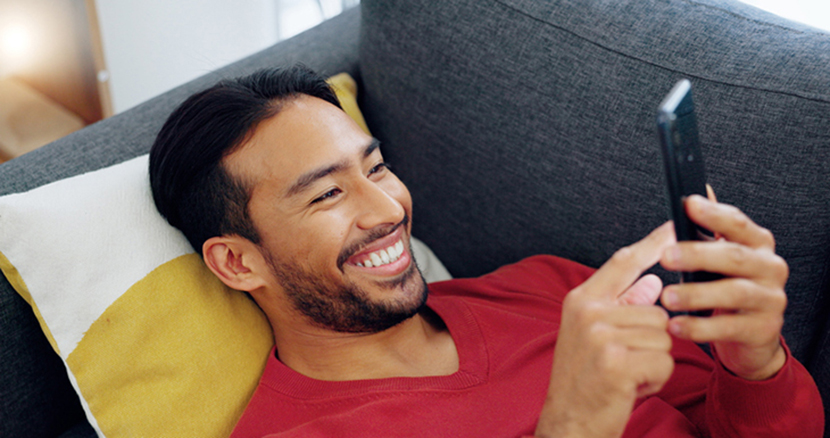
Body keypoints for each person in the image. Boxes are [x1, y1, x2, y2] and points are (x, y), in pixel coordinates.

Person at [149, 65, 823, 438]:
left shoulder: (555, 291)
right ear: (238, 261)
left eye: (376, 169)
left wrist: (753, 364)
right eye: (326, 196)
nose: (387, 211)